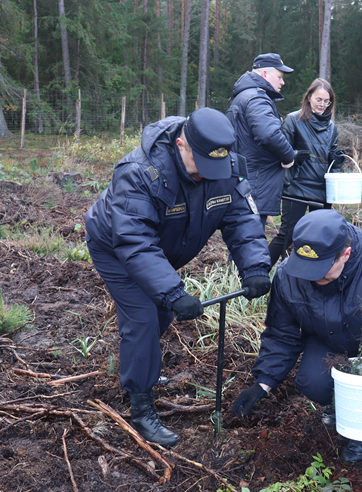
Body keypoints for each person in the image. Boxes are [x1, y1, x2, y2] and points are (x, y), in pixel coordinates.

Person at [84, 108, 272, 448]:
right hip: (117, 247)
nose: (205, 173)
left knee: (160, 313)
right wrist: (173, 291)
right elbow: (135, 242)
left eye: (213, 165)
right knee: (143, 318)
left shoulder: (225, 166)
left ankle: (141, 367)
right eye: (200, 163)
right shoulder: (140, 173)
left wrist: (256, 267)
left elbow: (241, 219)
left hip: (160, 250)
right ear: (181, 143)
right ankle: (141, 407)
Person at [230, 209, 362, 463]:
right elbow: (282, 334)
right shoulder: (288, 276)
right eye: (306, 267)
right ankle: (341, 404)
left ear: (345, 255)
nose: (313, 276)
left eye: (321, 268)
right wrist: (263, 383)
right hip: (329, 340)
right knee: (311, 382)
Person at [268, 78, 346, 267]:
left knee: (319, 238)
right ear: (309, 97)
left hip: (322, 190)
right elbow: (280, 151)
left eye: (326, 101)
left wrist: (336, 161)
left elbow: (331, 160)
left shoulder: (332, 128)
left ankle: (310, 275)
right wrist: (294, 155)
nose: (322, 105)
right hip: (296, 188)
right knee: (287, 235)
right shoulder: (293, 120)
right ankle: (258, 272)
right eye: (319, 99)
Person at [226, 53, 298, 229]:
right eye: (279, 77)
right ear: (264, 74)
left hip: (244, 179)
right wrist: (289, 157)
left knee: (241, 234)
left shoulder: (244, 96)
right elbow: (269, 135)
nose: (283, 82)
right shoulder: (257, 98)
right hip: (255, 183)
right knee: (251, 235)